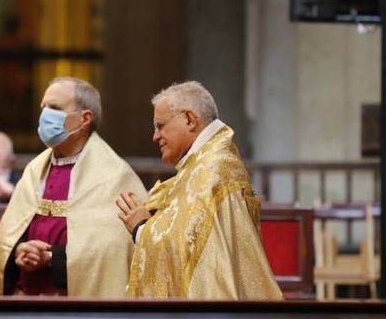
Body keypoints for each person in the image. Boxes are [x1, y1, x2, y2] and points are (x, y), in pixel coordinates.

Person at [116, 80, 282, 301]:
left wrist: (141, 228)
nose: (155, 136)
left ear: (189, 119)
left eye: (160, 126)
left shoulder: (211, 169)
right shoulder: (207, 162)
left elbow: (188, 247)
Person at [0, 77, 145, 297]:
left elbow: (110, 252)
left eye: (55, 108)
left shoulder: (114, 175)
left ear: (85, 118)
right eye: (44, 107)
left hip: (73, 307)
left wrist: (51, 258)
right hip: (26, 298)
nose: (44, 115)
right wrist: (19, 251)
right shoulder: (35, 169)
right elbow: (12, 232)